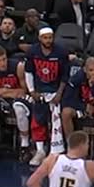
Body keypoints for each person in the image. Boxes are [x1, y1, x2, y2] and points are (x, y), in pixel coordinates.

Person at [25, 27, 69, 167]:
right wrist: (32, 91)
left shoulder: (61, 52)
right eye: (45, 38)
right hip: (39, 91)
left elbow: (65, 76)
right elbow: (28, 72)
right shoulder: (32, 52)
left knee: (56, 119)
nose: (48, 40)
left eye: (50, 37)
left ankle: (56, 151)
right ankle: (40, 150)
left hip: (56, 91)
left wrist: (59, 94)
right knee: (37, 118)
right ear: (40, 38)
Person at [0, 46, 31, 163]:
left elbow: (24, 90)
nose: (2, 63)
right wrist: (11, 92)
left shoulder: (18, 67)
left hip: (19, 99)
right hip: (2, 99)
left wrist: (4, 91)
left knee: (19, 108)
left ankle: (25, 146)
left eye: (4, 59)